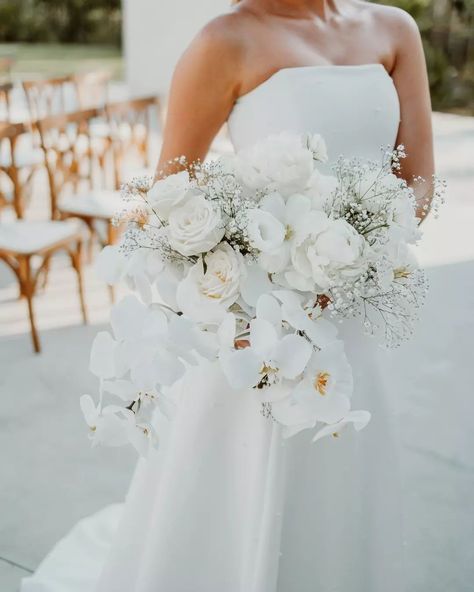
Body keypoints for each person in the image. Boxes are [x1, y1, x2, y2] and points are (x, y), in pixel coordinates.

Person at [22, 1, 434, 590]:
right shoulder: (225, 41)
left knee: (343, 474)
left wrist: (361, 250)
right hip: (266, 325)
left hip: (357, 311)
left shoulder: (396, 30)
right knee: (254, 480)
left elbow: (417, 179)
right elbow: (168, 199)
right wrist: (257, 263)